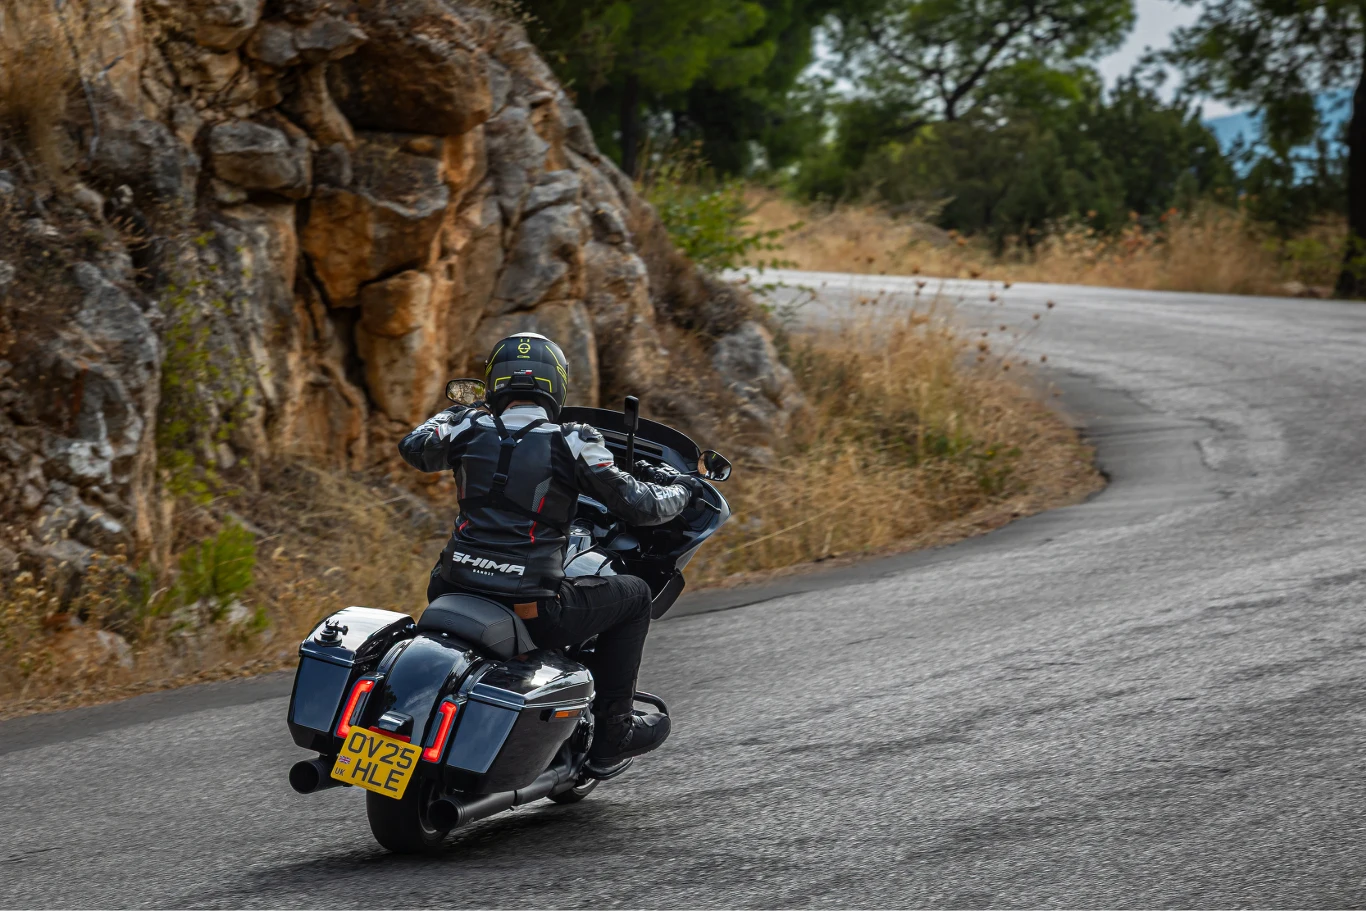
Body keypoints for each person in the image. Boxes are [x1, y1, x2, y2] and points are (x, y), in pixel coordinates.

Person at [397, 332, 705, 766]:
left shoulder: (464, 426)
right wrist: (685, 490)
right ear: (556, 386)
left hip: (451, 586)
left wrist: (455, 413)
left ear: (494, 384)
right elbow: (642, 505)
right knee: (635, 594)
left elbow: (414, 448)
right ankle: (613, 732)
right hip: (534, 608)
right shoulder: (572, 440)